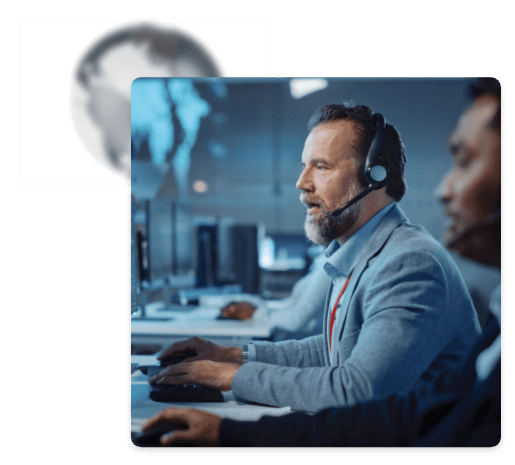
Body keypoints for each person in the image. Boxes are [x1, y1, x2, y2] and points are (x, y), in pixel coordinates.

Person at [139, 77, 501, 447]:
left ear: (374, 176)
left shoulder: (409, 262)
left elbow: (357, 388)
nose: (301, 182)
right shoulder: (362, 252)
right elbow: (332, 351)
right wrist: (230, 355)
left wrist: (228, 377)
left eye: (321, 167)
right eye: (303, 167)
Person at [218, 251, 331, 340]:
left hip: (307, 343)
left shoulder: (328, 265)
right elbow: (291, 303)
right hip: (297, 339)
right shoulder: (321, 262)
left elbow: (295, 320)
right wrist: (258, 305)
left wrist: (256, 313)